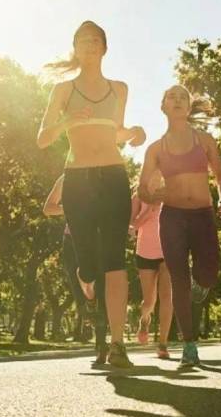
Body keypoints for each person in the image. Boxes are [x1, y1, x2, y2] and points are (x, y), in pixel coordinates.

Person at [37, 21, 146, 368]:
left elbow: (115, 133)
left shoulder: (119, 88)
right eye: (83, 41)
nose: (89, 45)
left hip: (113, 177)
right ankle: (86, 283)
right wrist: (68, 121)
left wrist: (133, 133)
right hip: (78, 180)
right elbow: (43, 138)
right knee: (87, 264)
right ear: (75, 48)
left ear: (104, 47)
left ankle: (118, 346)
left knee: (115, 261)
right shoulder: (63, 90)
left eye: (95, 40)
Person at [138, 84, 221, 369]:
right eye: (172, 97)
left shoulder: (205, 140)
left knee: (208, 274)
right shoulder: (156, 149)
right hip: (172, 218)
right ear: (163, 106)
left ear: (189, 107)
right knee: (178, 281)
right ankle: (189, 346)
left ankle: (200, 285)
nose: (177, 100)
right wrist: (153, 196)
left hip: (202, 214)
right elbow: (142, 188)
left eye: (183, 97)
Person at [43, 175, 109, 364]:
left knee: (101, 288)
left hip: (98, 238)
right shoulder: (66, 178)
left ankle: (101, 344)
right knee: (78, 283)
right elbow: (48, 208)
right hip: (71, 239)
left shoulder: (103, 174)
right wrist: (71, 207)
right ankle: (87, 306)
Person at [130, 173, 173, 359]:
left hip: (168, 251)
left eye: (158, 174)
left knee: (167, 297)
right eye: (151, 174)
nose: (155, 178)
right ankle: (145, 319)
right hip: (145, 253)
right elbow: (132, 225)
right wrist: (150, 210)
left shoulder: (169, 194)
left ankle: (163, 343)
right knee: (149, 302)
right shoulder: (138, 196)